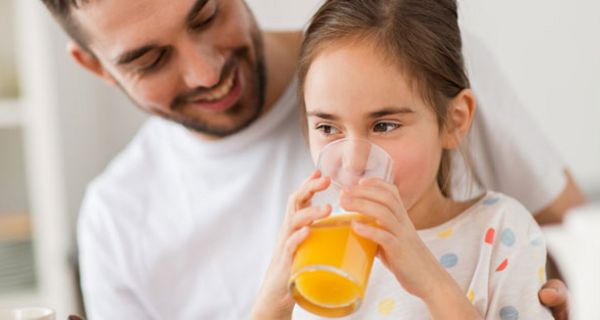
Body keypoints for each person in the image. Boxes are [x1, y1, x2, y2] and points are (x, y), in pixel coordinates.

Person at [38, 0, 580, 319]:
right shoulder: (113, 219)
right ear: (96, 67)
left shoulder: (413, 60)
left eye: (206, 15)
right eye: (150, 59)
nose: (205, 72)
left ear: (453, 119)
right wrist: (273, 294)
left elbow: (577, 241)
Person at [251, 0, 554, 318]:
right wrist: (273, 298)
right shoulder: (317, 248)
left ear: (454, 121)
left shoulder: (501, 231)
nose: (354, 162)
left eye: (383, 126)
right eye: (328, 127)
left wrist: (432, 284)